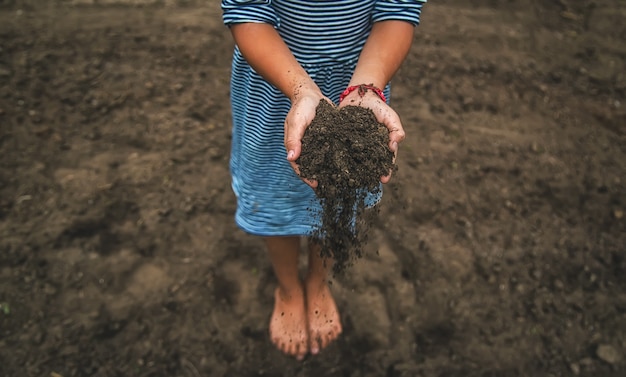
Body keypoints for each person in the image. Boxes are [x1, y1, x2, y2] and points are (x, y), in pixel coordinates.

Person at [220, 0, 426, 360]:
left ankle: (317, 283)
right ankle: (287, 287)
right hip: (276, 83)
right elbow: (248, 14)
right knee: (275, 194)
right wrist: (302, 90)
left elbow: (398, 12)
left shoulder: (362, 91)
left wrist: (366, 88)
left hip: (359, 82)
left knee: (340, 191)